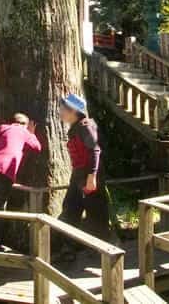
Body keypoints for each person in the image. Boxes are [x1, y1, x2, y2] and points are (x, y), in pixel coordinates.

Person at [0, 113, 42, 250]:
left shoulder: (2, 128)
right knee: (0, 205)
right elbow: (37, 147)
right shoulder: (24, 131)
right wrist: (32, 133)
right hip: (6, 168)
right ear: (25, 124)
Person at [58, 94, 111, 245]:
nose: (60, 112)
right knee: (70, 208)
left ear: (73, 111)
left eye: (63, 109)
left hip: (90, 175)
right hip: (78, 176)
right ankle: (68, 247)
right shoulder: (75, 128)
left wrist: (92, 176)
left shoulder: (85, 126)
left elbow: (95, 150)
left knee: (96, 212)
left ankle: (102, 249)